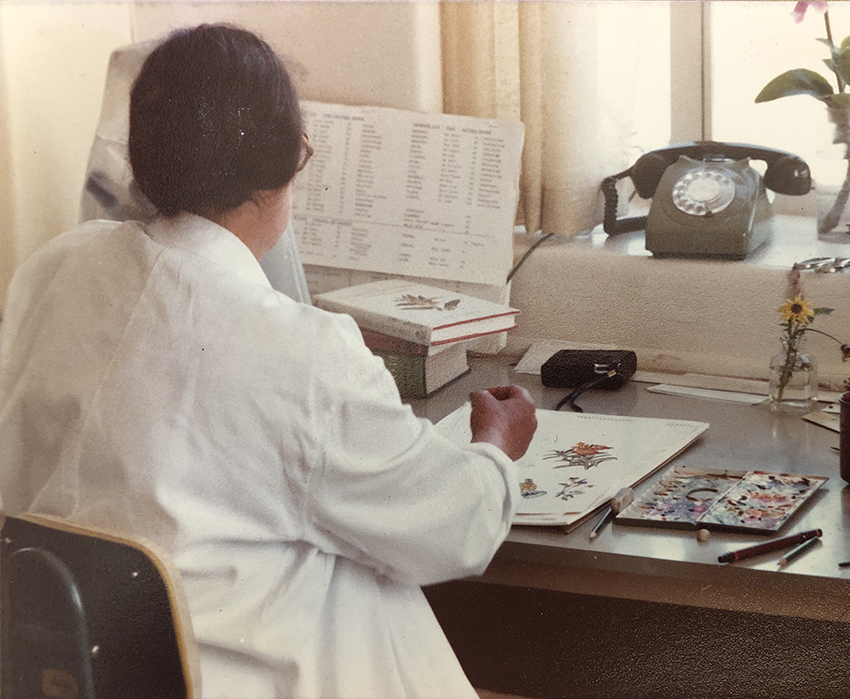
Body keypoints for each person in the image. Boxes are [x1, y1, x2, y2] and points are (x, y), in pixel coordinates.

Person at [0, 23, 537, 699]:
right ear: (291, 163)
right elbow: (456, 532)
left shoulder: (52, 272)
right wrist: (496, 445)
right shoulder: (305, 357)